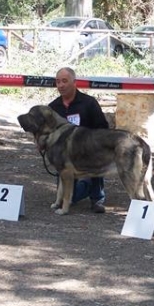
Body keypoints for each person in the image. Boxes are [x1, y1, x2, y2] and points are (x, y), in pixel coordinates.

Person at [48, 67, 110, 213]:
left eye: (64, 81)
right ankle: (83, 188)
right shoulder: (53, 107)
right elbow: (48, 134)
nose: (61, 85)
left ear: (74, 82)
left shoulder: (89, 103)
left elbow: (103, 128)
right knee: (71, 197)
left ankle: (97, 198)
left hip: (89, 152)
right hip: (65, 157)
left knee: (97, 159)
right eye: (58, 82)